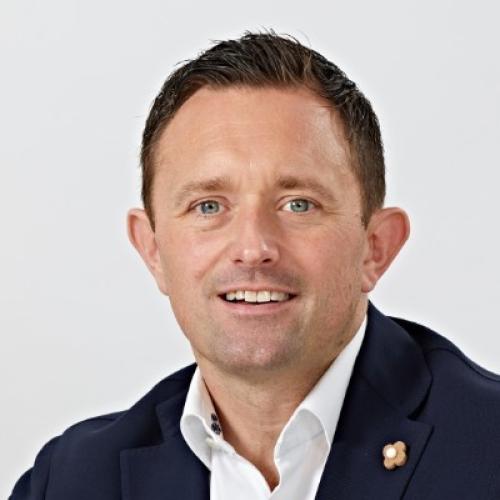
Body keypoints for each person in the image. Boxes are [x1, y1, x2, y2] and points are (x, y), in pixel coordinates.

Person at [10, 31, 500, 500]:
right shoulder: (73, 479)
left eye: (299, 204)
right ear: (152, 250)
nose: (253, 248)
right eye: (208, 206)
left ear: (376, 248)